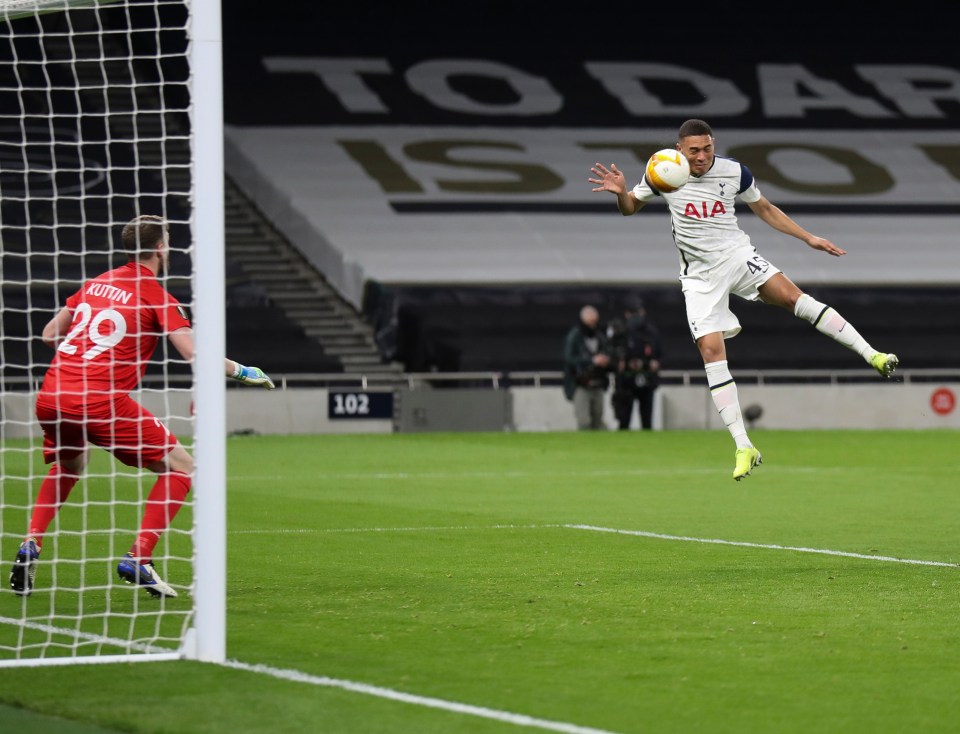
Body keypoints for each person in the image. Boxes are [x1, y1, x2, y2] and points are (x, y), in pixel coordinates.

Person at [589, 119, 899, 480]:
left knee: (792, 297)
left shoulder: (735, 172)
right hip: (700, 276)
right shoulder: (663, 171)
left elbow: (765, 208)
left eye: (707, 148)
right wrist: (621, 194)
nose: (702, 156)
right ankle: (743, 445)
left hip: (737, 256)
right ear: (680, 149)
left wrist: (807, 237)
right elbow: (630, 209)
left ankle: (873, 355)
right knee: (710, 350)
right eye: (694, 150)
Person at [8, 215, 276, 599]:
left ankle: (31, 542)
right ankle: (139, 557)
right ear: (161, 248)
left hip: (51, 395)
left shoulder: (97, 282)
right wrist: (242, 371)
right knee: (183, 466)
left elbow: (50, 334)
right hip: (99, 400)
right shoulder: (154, 294)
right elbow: (191, 353)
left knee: (70, 465)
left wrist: (80, 360)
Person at [608, 296, 662, 430]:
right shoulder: (621, 331)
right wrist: (622, 363)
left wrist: (654, 363)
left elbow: (660, 354)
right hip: (626, 381)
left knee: (646, 421)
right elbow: (612, 354)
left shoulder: (650, 332)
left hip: (646, 379)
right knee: (625, 421)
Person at [562, 305, 612, 430]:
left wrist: (605, 361)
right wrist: (591, 361)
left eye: (595, 321)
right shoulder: (574, 336)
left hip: (598, 382)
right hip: (580, 384)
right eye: (590, 322)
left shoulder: (600, 336)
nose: (593, 325)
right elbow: (569, 359)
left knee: (597, 420)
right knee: (584, 421)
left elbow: (608, 352)